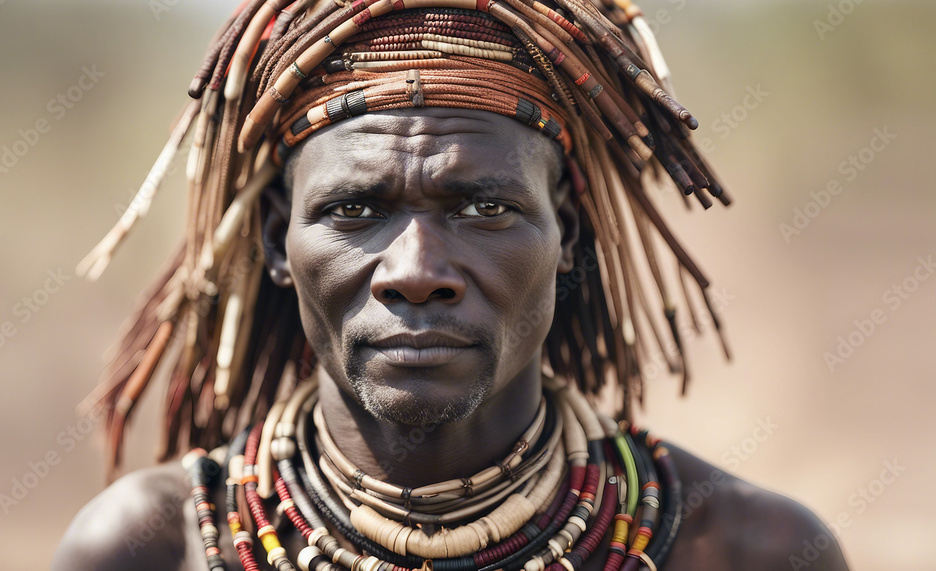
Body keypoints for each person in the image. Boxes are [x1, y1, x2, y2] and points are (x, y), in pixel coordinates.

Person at [54, 0, 849, 569]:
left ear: (566, 234)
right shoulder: (154, 548)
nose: (417, 271)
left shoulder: (744, 549)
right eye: (355, 208)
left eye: (484, 207)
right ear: (276, 240)